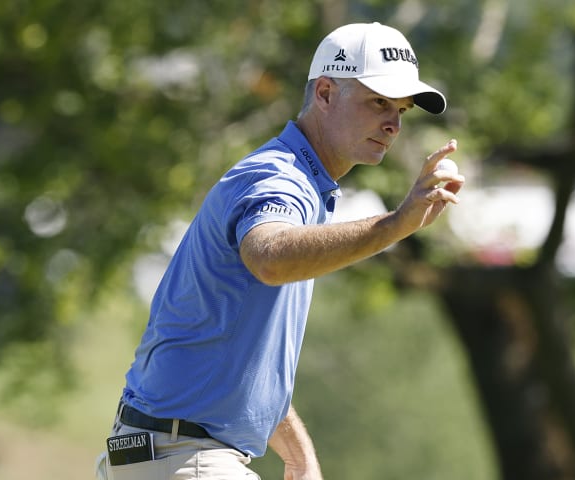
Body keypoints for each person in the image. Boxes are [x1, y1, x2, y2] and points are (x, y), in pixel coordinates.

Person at [97, 21, 464, 480]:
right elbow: (268, 257)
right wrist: (393, 224)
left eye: (402, 110)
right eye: (378, 102)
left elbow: (237, 356)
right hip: (184, 457)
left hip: (158, 452)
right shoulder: (279, 178)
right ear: (326, 93)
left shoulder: (305, 182)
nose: (392, 123)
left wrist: (297, 450)